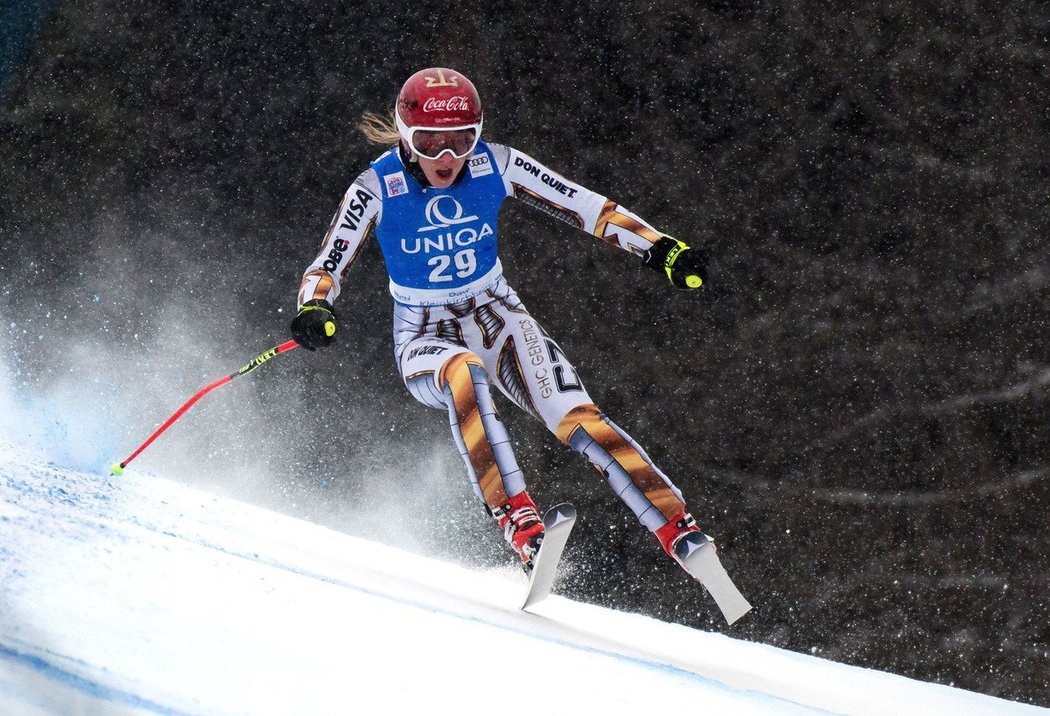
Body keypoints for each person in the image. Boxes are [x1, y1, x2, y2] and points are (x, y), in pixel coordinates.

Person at [291, 67, 714, 575]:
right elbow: (328, 263)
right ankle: (520, 524)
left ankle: (676, 526)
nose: (447, 158)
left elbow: (585, 206)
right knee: (462, 373)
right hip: (424, 334)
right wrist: (314, 307)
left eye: (461, 140)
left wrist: (660, 250)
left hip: (496, 312)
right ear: (406, 137)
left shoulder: (497, 164)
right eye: (430, 143)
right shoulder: (376, 187)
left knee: (574, 413)